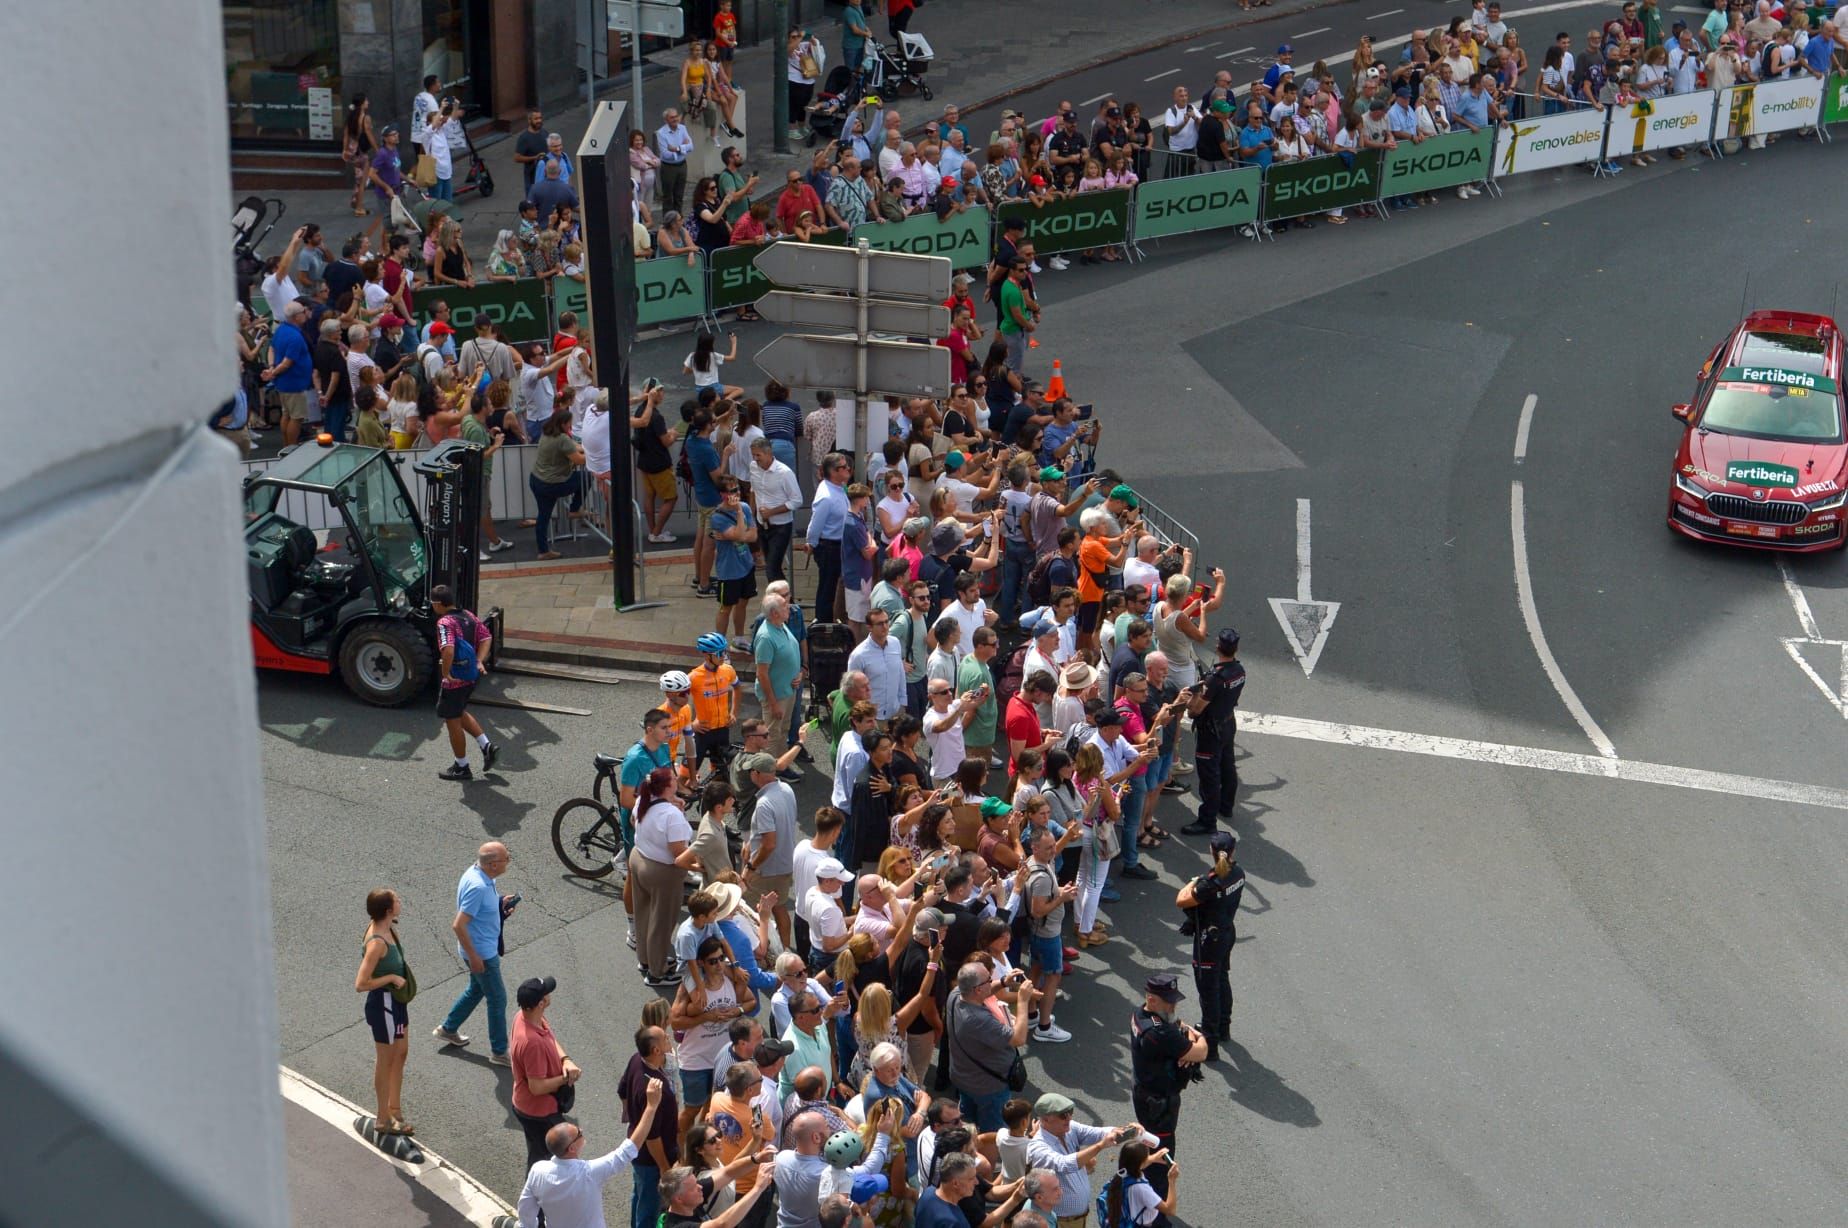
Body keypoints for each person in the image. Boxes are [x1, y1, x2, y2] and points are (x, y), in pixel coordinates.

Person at [516, 1077, 663, 1228]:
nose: (581, 1130)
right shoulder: (588, 1173)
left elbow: (525, 1211)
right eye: (578, 1133)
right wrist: (651, 1107)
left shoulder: (537, 1170)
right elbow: (627, 1150)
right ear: (571, 1148)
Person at [435, 842, 514, 1063]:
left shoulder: (479, 874)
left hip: (480, 949)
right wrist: (474, 956)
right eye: (506, 858)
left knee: (476, 990)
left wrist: (499, 904)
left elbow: (479, 910)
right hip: (482, 954)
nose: (508, 861)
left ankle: (448, 1029)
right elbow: (458, 924)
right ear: (493, 864)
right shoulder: (478, 887)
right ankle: (499, 1051)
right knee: (497, 999)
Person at [1026, 1093, 1153, 1223]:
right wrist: (1100, 1146)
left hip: (1079, 1217)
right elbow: (1064, 1164)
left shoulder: (1070, 1127)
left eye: (1070, 1112)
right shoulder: (1038, 1147)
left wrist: (1129, 1131)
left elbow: (1099, 1133)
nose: (1069, 1118)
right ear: (1045, 1119)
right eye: (1063, 1115)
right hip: (1060, 1220)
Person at [944, 963, 1034, 1131]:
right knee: (992, 1133)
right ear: (978, 989)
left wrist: (1003, 982)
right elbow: (1019, 1038)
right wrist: (1023, 1001)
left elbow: (984, 990)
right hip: (988, 1087)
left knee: (966, 1127)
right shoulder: (978, 1019)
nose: (992, 980)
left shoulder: (956, 995)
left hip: (964, 1078)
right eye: (989, 980)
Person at [632, 767, 700, 986]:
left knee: (643, 914)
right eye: (674, 778)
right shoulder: (671, 816)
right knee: (661, 923)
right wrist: (701, 867)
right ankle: (657, 972)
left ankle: (645, 960)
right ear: (669, 785)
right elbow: (679, 852)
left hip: (639, 859)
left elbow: (634, 821)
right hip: (662, 873)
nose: (677, 779)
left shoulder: (644, 800)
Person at [1128, 974, 1208, 1161]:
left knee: (1148, 1141)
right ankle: (1158, 1179)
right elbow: (1201, 1052)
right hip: (1159, 1104)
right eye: (1169, 1002)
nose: (1173, 1006)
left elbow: (1178, 1024)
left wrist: (1185, 1035)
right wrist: (1200, 1036)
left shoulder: (1141, 1014)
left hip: (1143, 1089)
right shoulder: (1160, 1032)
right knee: (1162, 1153)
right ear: (1152, 999)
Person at [355, 888, 412, 1134]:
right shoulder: (377, 942)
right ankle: (382, 1119)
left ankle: (395, 1109)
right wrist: (391, 977)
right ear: (388, 910)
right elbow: (361, 983)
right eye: (396, 900)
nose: (400, 901)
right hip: (384, 1004)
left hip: (396, 1003)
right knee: (386, 1060)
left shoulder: (389, 928)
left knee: (401, 1054)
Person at [511, 975, 582, 1169]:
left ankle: (536, 1185)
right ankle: (537, 1186)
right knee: (551, 1161)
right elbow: (536, 1087)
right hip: (539, 1112)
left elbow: (550, 1038)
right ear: (541, 1003)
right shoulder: (532, 1043)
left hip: (529, 1107)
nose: (550, 994)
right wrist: (565, 1078)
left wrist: (565, 1060)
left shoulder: (527, 1017)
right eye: (547, 993)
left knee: (538, 1154)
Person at [1181, 628, 1245, 837]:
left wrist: (1191, 698)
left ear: (1218, 647)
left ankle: (1207, 821)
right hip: (1228, 724)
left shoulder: (1216, 678)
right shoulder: (1239, 671)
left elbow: (1196, 710)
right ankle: (1226, 806)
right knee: (1228, 766)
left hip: (1210, 731)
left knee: (1209, 776)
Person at [431, 585, 498, 781]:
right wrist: (478, 661)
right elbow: (486, 637)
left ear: (438, 604)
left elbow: (448, 650)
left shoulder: (444, 622)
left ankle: (462, 766)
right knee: (459, 710)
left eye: (432, 603)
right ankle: (486, 746)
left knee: (452, 720)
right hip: (471, 676)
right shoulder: (468, 616)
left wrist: (445, 673)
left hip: (455, 680)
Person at [621, 1025, 683, 1228]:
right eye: (665, 1038)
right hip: (651, 1161)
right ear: (656, 1050)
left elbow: (622, 1090)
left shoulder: (635, 1060)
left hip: (636, 1149)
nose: (669, 1038)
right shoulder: (655, 1090)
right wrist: (664, 1168)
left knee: (639, 1197)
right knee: (650, 1209)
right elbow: (653, 1138)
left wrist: (634, 1116)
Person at [1101, 1139, 1181, 1227]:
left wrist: (1153, 1158)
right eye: (1148, 1156)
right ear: (1140, 1162)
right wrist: (1171, 1180)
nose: (1149, 1157)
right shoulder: (1142, 1189)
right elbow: (1170, 1210)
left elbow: (1138, 1164)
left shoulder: (1119, 1176)